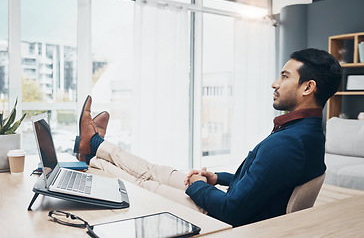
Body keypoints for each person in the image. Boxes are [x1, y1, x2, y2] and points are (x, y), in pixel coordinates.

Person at [73, 48, 342, 227]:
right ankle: (94, 145)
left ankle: (90, 153)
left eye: (284, 76)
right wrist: (217, 178)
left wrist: (199, 186)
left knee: (143, 182)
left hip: (218, 218)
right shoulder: (306, 133)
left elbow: (232, 211)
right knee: (155, 170)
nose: (275, 83)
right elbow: (263, 183)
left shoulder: (290, 143)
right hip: (226, 198)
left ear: (308, 87)